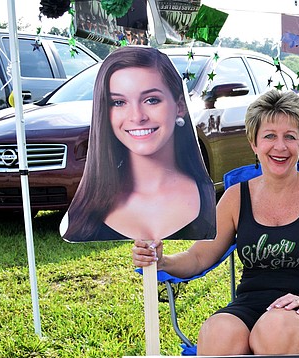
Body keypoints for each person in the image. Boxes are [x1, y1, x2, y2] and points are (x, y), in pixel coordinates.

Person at [131, 89, 299, 355]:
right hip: (250, 304)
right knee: (217, 332)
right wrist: (162, 261)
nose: (280, 147)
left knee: (274, 331)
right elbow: (198, 257)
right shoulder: (236, 197)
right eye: (269, 136)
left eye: (290, 137)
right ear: (254, 143)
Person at [61, 46, 216, 242]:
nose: (137, 117)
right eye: (118, 102)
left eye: (151, 100)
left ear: (180, 107)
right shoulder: (85, 211)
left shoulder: (209, 200)